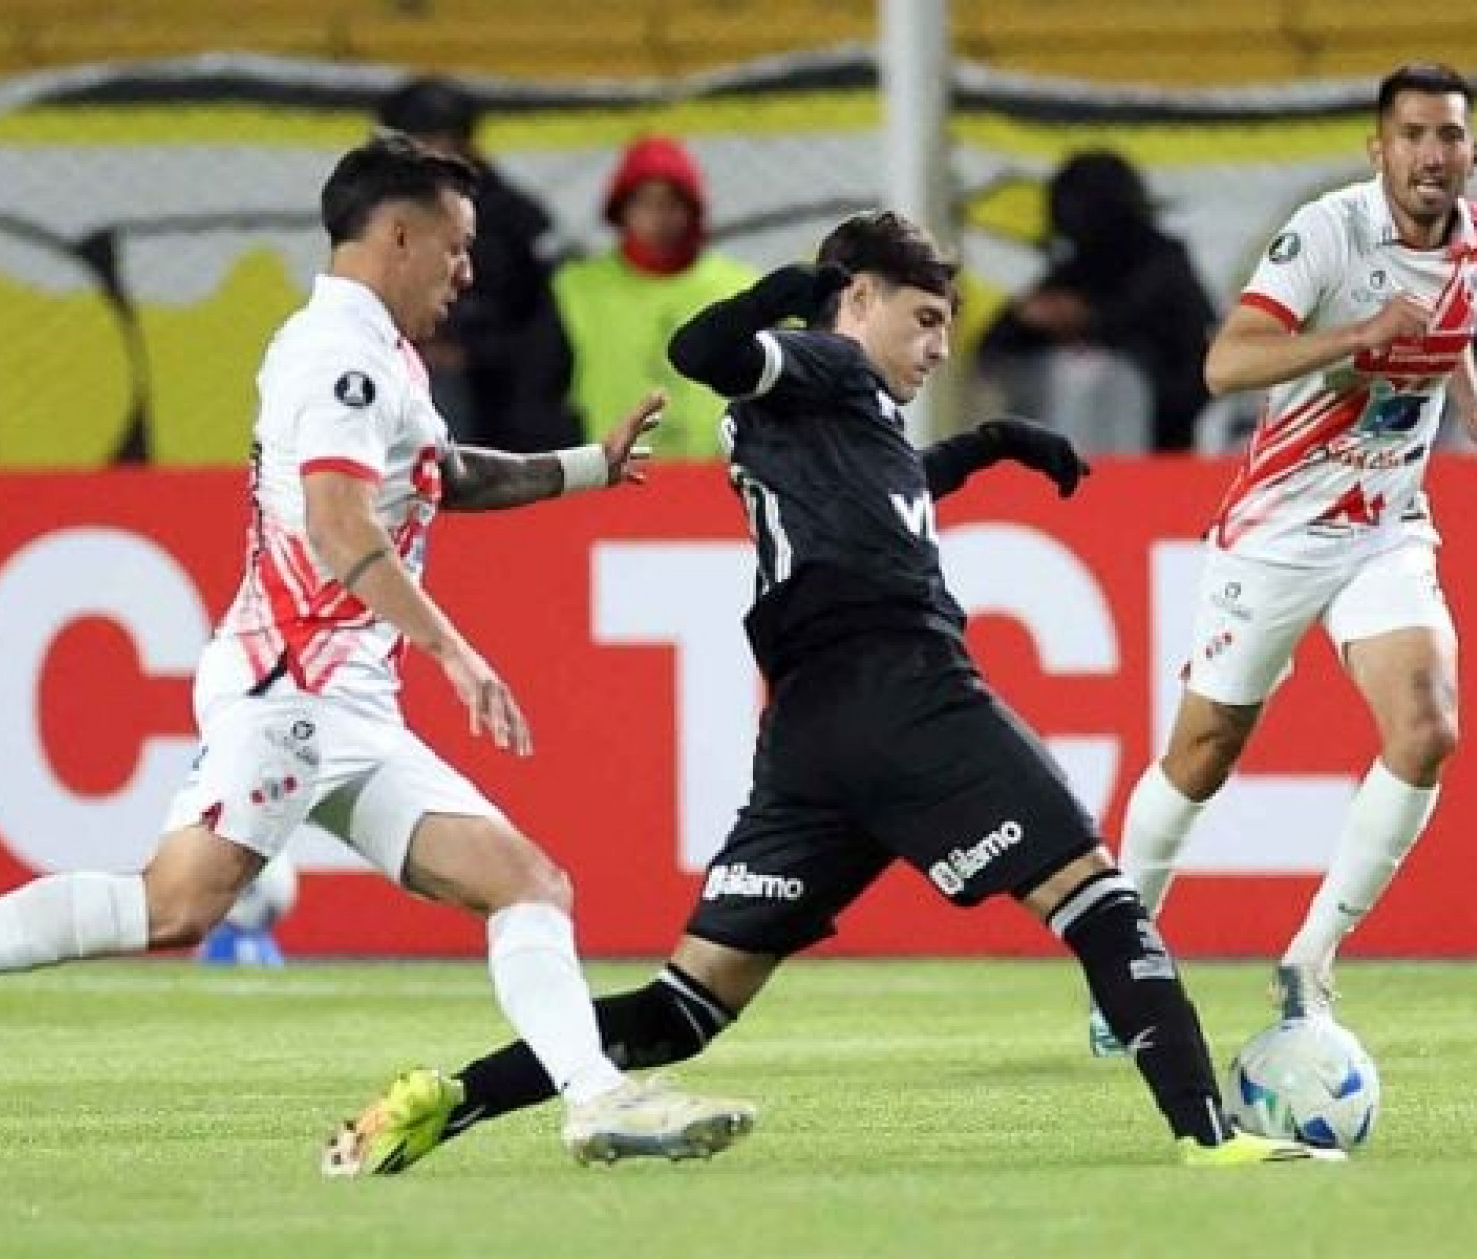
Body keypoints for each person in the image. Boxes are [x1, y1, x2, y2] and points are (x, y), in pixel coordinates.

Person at [319, 209, 1344, 1178]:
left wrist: (984, 449)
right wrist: (792, 289)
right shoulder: (825, 359)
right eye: (927, 317)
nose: (940, 345)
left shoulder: (836, 412)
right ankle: (1207, 1136)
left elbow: (879, 495)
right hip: (907, 691)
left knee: (685, 1007)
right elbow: (705, 349)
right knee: (1100, 900)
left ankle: (443, 1099)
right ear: (859, 300)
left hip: (811, 735)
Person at [0, 135, 755, 1172]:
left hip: (339, 694)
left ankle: (594, 1098)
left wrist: (584, 467)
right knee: (180, 904)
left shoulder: (375, 351)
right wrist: (455, 650)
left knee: (526, 881)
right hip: (298, 684)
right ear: (398, 235)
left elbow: (441, 474)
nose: (468, 270)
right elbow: (343, 526)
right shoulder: (338, 358)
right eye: (456, 245)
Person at [1090, 63, 1477, 1055]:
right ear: (1380, 150)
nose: (1431, 154)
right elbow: (1226, 361)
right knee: (1204, 752)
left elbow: (1449, 322)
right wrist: (1361, 332)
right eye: (1412, 135)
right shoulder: (1325, 233)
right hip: (1279, 530)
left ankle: (1312, 957)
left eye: (1449, 137)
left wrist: (1475, 410)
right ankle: (1121, 955)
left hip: (1385, 526)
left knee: (1427, 728)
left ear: (1473, 154)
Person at [379, 76, 581, 453]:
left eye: (431, 140)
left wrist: (469, 351)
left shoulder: (513, 219)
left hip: (507, 386)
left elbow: (543, 329)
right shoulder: (379, 218)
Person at [974, 150, 1215, 453]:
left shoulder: (1162, 266)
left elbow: (1175, 354)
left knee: (1099, 374)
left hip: (1159, 443)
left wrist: (1089, 321)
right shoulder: (1078, 268)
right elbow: (994, 348)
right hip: (1069, 448)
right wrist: (1028, 319)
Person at [553, 135, 757, 459]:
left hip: (718, 475)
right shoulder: (575, 289)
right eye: (645, 204)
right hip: (606, 472)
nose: (659, 218)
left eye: (672, 204)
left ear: (692, 210)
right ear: (621, 210)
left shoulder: (740, 286)